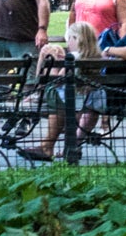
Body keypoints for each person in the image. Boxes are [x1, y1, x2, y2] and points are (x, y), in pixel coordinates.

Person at [18, 21, 108, 162]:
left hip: (66, 99)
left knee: (51, 88)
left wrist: (52, 62)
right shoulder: (99, 57)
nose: (68, 42)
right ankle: (65, 145)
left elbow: (57, 80)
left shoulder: (73, 57)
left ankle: (47, 147)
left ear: (77, 39)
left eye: (70, 38)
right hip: (86, 102)